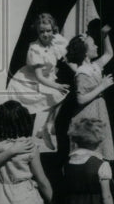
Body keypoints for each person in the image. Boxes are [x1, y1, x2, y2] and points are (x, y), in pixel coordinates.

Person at [6, 12, 69, 149]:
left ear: (54, 30)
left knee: (62, 97)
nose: (45, 35)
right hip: (27, 83)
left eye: (48, 31)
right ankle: (27, 142)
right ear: (37, 32)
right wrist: (57, 86)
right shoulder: (35, 49)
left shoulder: (56, 41)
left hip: (46, 79)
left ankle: (47, 127)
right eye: (42, 32)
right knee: (26, 117)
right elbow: (39, 77)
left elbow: (66, 52)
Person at [65, 26, 114, 162]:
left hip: (98, 112)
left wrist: (105, 35)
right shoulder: (82, 72)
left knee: (99, 150)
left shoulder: (94, 66)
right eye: (93, 44)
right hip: (87, 115)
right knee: (89, 150)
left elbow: (109, 54)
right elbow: (80, 99)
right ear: (85, 52)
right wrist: (102, 86)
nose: (96, 47)